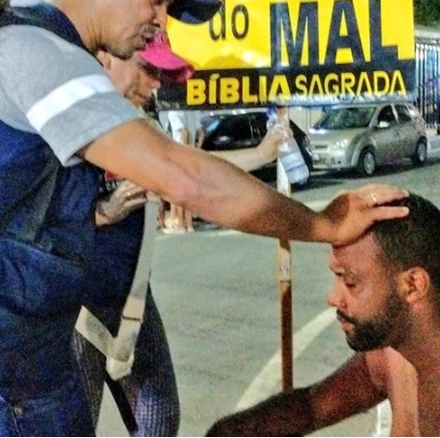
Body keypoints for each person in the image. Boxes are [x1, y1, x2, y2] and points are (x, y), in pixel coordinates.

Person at [0, 0, 409, 436]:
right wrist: (324, 224)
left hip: (27, 356)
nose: (160, 24)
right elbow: (185, 178)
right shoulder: (34, 53)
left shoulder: (60, 53)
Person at [207, 194, 440, 437]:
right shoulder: (394, 352)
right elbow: (311, 407)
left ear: (413, 285)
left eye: (349, 282)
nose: (333, 298)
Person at [78, 32, 290, 436]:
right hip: (73, 310)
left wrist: (262, 154)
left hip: (133, 302)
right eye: (147, 69)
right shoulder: (64, 119)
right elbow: (23, 220)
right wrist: (102, 214)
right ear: (107, 59)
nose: (157, 82)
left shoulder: (140, 125)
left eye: (161, 72)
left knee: (160, 423)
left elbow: (195, 172)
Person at [164, 108, 204, 233]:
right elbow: (201, 133)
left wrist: (183, 152)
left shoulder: (174, 113)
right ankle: (189, 223)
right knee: (187, 191)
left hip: (180, 155)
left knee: (177, 191)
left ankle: (180, 224)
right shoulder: (191, 112)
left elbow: (184, 132)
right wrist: (196, 149)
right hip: (191, 154)